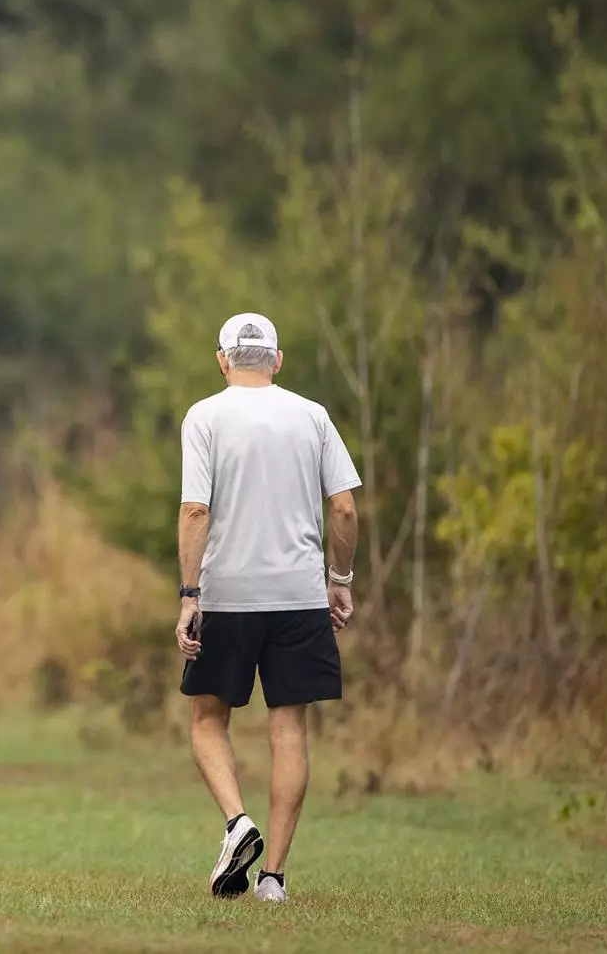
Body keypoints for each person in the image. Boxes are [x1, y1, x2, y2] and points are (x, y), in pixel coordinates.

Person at [173, 311, 360, 905]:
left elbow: (195, 511)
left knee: (208, 720)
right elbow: (346, 509)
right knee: (289, 730)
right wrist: (341, 579)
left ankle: (236, 823)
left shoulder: (205, 416)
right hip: (299, 596)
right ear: (277, 360)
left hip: (227, 595)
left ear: (222, 359)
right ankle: (273, 879)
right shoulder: (313, 416)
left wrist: (189, 596)